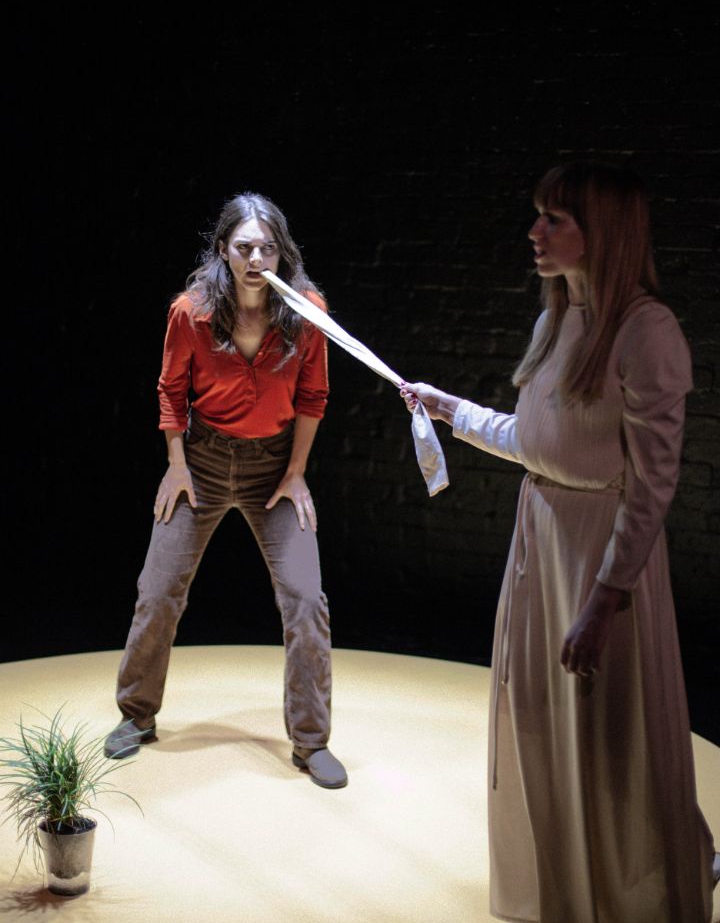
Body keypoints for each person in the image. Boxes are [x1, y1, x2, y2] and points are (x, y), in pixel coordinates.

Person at [401, 162, 717, 921]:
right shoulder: (556, 322)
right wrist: (451, 410)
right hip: (542, 542)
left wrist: (605, 599)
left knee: (612, 734)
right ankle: (566, 891)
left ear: (601, 232)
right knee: (545, 723)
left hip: (600, 555)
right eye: (539, 214)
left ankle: (639, 889)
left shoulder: (647, 332)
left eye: (555, 218)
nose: (535, 232)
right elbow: (538, 442)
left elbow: (652, 485)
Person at [104, 192, 347, 790]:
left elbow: (313, 396)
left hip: (274, 467)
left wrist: (296, 471)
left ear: (282, 253)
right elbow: (171, 391)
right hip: (204, 462)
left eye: (268, 248)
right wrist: (177, 465)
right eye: (244, 248)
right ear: (223, 251)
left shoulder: (307, 312)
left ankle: (311, 742)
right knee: (158, 590)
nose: (256, 259)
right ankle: (137, 715)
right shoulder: (191, 312)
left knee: (306, 600)